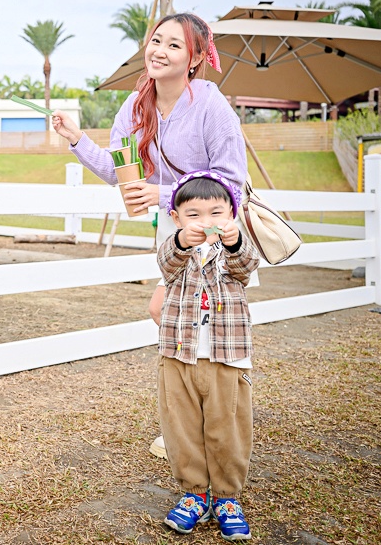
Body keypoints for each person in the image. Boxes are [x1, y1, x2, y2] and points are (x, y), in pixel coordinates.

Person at [52, 12, 250, 460]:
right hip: (175, 237)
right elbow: (123, 176)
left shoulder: (211, 105)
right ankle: (198, 417)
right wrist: (78, 139)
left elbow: (231, 182)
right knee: (182, 323)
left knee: (186, 319)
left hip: (216, 233)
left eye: (174, 45)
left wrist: (162, 193)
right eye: (156, 40)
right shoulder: (135, 106)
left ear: (196, 58)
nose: (159, 50)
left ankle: (208, 417)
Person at [156, 170, 259, 540]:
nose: (206, 222)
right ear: (177, 219)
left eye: (216, 213)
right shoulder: (176, 250)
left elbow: (247, 267)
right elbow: (165, 263)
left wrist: (233, 243)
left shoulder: (234, 252)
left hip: (226, 357)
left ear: (231, 215)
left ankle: (227, 497)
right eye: (193, 215)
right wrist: (182, 241)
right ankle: (194, 494)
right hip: (177, 355)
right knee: (180, 427)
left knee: (227, 426)